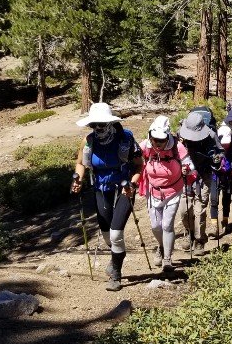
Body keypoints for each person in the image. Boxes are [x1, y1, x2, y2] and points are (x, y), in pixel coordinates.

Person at [70, 103, 143, 292]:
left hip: (125, 188)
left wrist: (133, 184)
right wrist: (78, 180)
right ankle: (117, 255)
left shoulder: (126, 139)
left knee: (116, 232)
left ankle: (116, 275)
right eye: (93, 124)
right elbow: (81, 163)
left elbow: (139, 164)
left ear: (110, 123)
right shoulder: (88, 141)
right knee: (106, 234)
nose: (98, 128)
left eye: (101, 124)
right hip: (101, 189)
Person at [138, 115, 190, 272]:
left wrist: (187, 169)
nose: (158, 143)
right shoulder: (145, 146)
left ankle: (167, 258)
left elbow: (189, 163)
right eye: (155, 139)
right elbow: (134, 158)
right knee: (155, 226)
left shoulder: (177, 147)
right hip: (153, 190)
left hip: (173, 191)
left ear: (167, 136)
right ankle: (161, 246)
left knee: (167, 225)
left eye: (161, 140)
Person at [178, 110, 223, 252]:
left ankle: (199, 239)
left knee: (199, 209)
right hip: (186, 175)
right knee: (184, 210)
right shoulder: (181, 134)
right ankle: (190, 233)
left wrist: (217, 160)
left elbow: (220, 152)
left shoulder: (211, 136)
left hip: (205, 174)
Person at [211, 125, 232, 228]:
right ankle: (214, 225)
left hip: (229, 176)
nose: (225, 145)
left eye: (227, 143)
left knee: (226, 198)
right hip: (216, 176)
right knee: (214, 199)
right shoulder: (213, 148)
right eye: (223, 143)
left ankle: (225, 221)